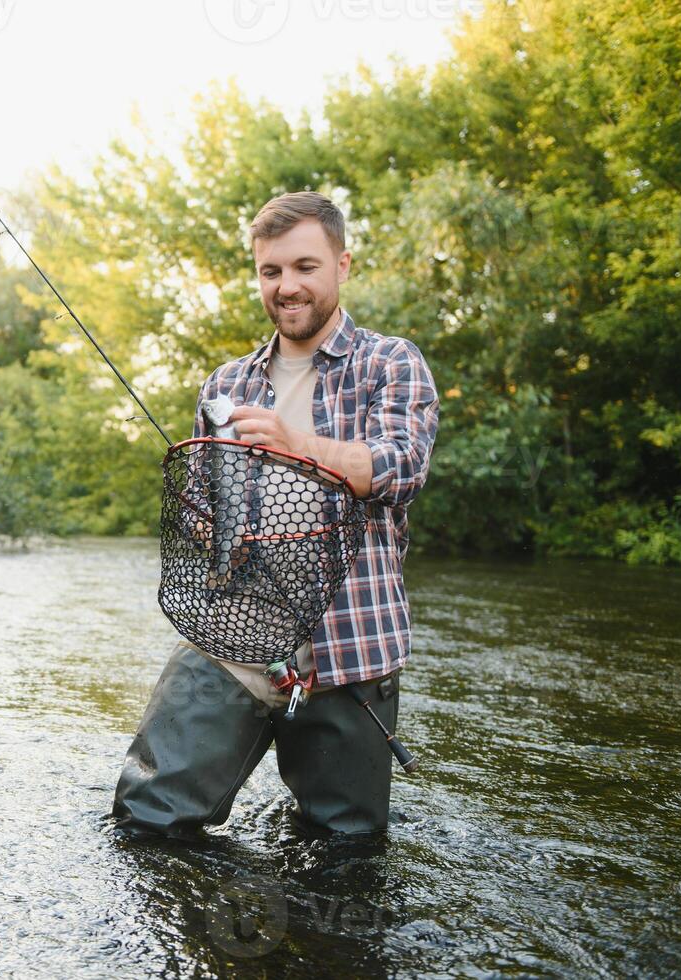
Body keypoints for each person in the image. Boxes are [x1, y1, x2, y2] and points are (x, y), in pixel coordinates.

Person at [111, 191, 440, 839]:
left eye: (304, 267)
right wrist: (201, 520)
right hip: (233, 633)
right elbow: (202, 504)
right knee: (146, 820)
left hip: (352, 648)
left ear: (341, 266)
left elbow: (401, 469)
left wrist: (297, 444)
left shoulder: (389, 363)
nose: (286, 286)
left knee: (342, 851)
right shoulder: (225, 385)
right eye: (270, 272)